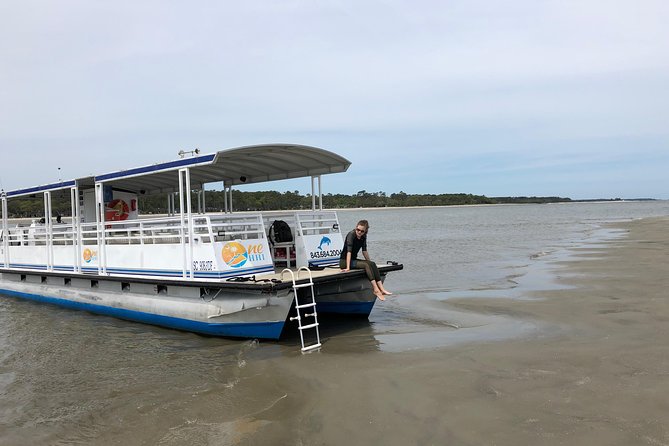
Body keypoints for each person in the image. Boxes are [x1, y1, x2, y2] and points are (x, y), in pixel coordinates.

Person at [340, 219, 392, 301]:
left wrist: (370, 262)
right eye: (358, 230)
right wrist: (348, 268)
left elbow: (364, 251)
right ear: (356, 227)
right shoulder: (351, 235)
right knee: (366, 265)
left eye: (362, 231)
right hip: (344, 261)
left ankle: (382, 289)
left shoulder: (363, 237)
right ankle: (376, 289)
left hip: (353, 260)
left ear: (365, 231)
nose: (359, 232)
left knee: (372, 263)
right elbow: (348, 252)